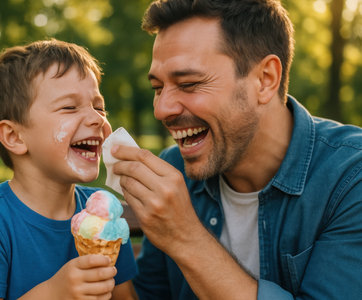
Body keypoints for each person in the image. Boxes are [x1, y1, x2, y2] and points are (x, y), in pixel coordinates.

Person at [111, 0, 362, 299]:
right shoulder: (173, 170)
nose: (162, 109)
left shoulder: (350, 179)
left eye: (189, 84)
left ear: (265, 79)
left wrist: (184, 236)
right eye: (157, 88)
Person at [0, 39, 138, 299]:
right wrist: (55, 293)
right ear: (14, 136)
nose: (97, 118)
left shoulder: (103, 213)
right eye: (69, 107)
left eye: (99, 107)